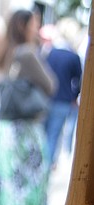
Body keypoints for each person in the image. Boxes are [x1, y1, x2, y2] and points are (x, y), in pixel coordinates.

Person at [0, 9, 56, 205]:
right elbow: (51, 84)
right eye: (34, 23)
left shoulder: (3, 50)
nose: (36, 28)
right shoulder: (27, 53)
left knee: (8, 181)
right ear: (24, 25)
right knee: (30, 181)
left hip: (6, 130)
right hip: (26, 130)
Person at [41, 22, 82, 168]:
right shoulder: (73, 56)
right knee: (54, 135)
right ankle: (47, 167)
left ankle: (42, 165)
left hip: (47, 99)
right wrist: (74, 96)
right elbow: (78, 81)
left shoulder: (49, 53)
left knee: (44, 134)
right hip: (63, 101)